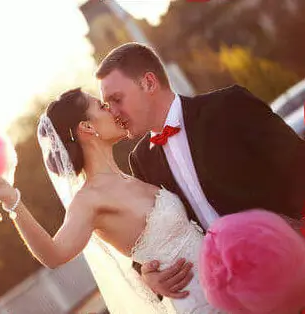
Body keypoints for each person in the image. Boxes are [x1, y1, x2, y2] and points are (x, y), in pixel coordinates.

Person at [0, 88, 223, 313]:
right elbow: (54, 254)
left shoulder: (133, 174)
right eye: (102, 106)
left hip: (227, 283)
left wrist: (147, 276)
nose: (112, 109)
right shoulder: (88, 200)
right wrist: (13, 201)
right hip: (197, 304)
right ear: (87, 127)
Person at [96, 42, 305, 300]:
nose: (113, 113)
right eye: (107, 105)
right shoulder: (141, 161)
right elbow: (148, 237)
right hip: (233, 298)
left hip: (292, 261)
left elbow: (297, 162)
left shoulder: (228, 106)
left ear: (149, 83)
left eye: (117, 99)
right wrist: (148, 276)